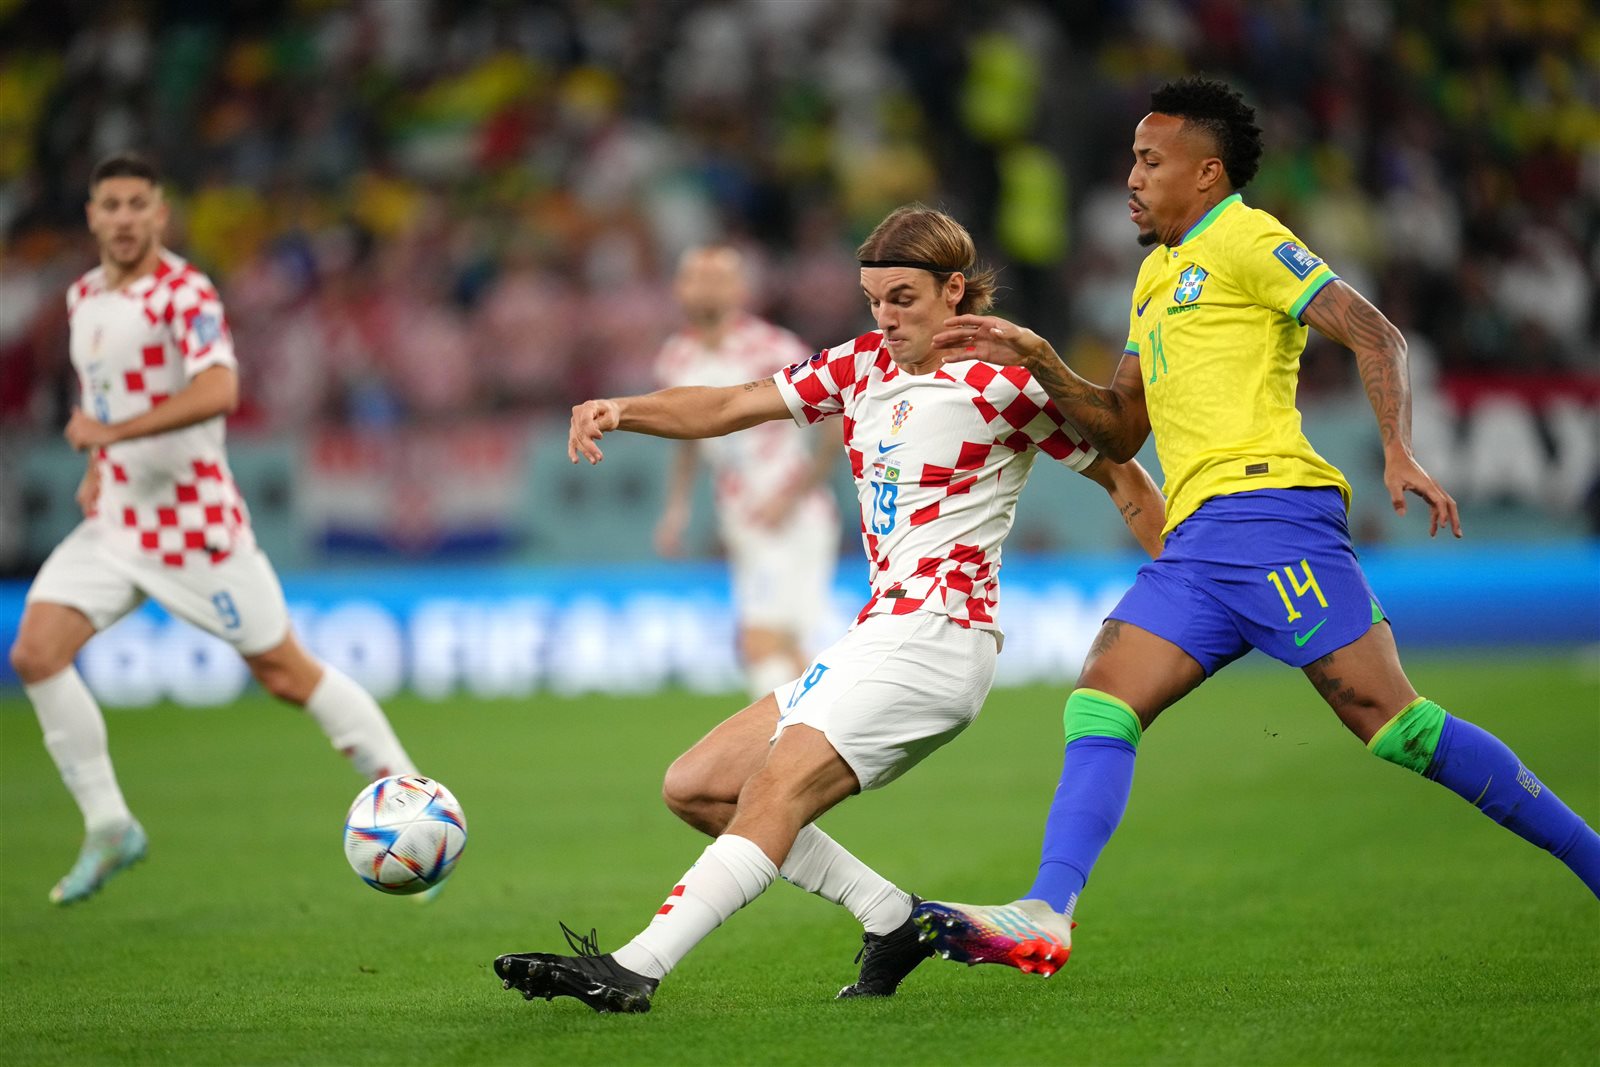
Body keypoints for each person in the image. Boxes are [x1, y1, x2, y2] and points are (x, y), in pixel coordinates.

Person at [910, 76, 1600, 977]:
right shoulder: (1155, 276)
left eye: (1150, 161)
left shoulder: (1247, 237)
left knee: (1395, 724)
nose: (1131, 178)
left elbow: (1376, 333)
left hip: (1273, 516)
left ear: (1207, 173)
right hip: (1198, 540)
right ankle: (1047, 911)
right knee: (1102, 696)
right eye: (1131, 160)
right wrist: (1040, 357)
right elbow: (1120, 429)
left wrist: (1397, 448)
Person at [491, 205, 1166, 1013]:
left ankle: (635, 966)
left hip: (941, 634)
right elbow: (730, 405)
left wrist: (1183, 577)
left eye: (903, 299)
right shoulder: (859, 366)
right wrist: (621, 409)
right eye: (875, 299)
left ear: (954, 290)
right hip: (878, 630)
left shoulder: (1006, 384)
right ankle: (890, 916)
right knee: (697, 785)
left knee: (776, 785)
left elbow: (1124, 478)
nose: (886, 317)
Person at [9, 153, 420, 906]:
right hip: (115, 521)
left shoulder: (185, 293)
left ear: (160, 214)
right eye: (111, 205)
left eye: (138, 204)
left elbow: (219, 388)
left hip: (195, 525)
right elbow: (103, 392)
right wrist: (100, 460)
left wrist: (113, 431)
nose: (125, 218)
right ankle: (110, 824)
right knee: (36, 653)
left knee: (286, 673)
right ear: (93, 216)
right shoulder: (82, 297)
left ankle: (412, 806)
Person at [653, 245, 838, 700]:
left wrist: (791, 496)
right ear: (679, 288)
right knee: (788, 646)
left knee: (761, 640)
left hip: (791, 516)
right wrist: (676, 510)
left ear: (741, 290)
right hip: (740, 516)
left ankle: (785, 735)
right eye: (697, 277)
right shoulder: (676, 358)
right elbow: (687, 436)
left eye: (719, 278)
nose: (707, 287)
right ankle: (819, 730)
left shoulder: (774, 349)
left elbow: (835, 420)